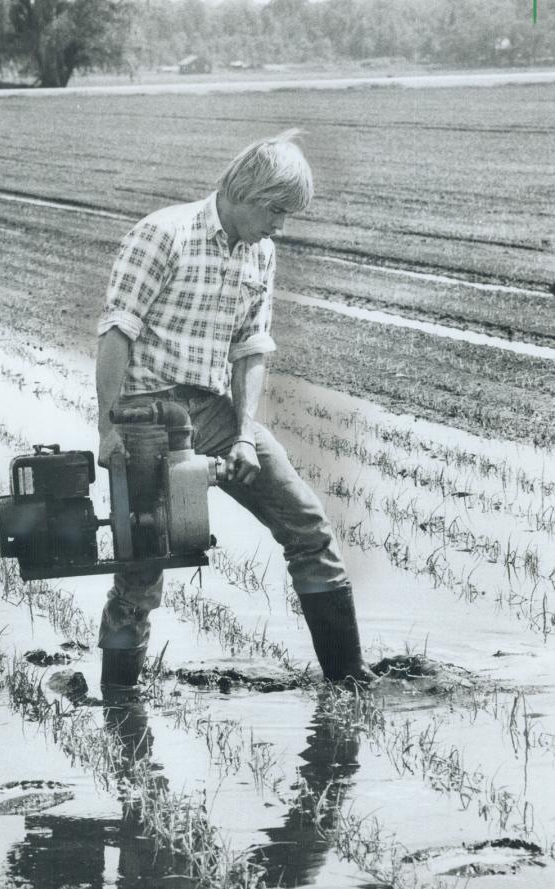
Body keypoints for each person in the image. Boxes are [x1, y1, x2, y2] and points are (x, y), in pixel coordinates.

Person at [96, 130, 376, 692]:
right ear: (246, 191)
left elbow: (251, 348)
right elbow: (116, 334)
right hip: (148, 417)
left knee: (308, 528)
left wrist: (245, 435)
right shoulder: (163, 235)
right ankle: (119, 700)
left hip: (214, 415)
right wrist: (108, 429)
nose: (280, 226)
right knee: (142, 567)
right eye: (276, 211)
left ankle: (349, 679)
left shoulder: (260, 253)